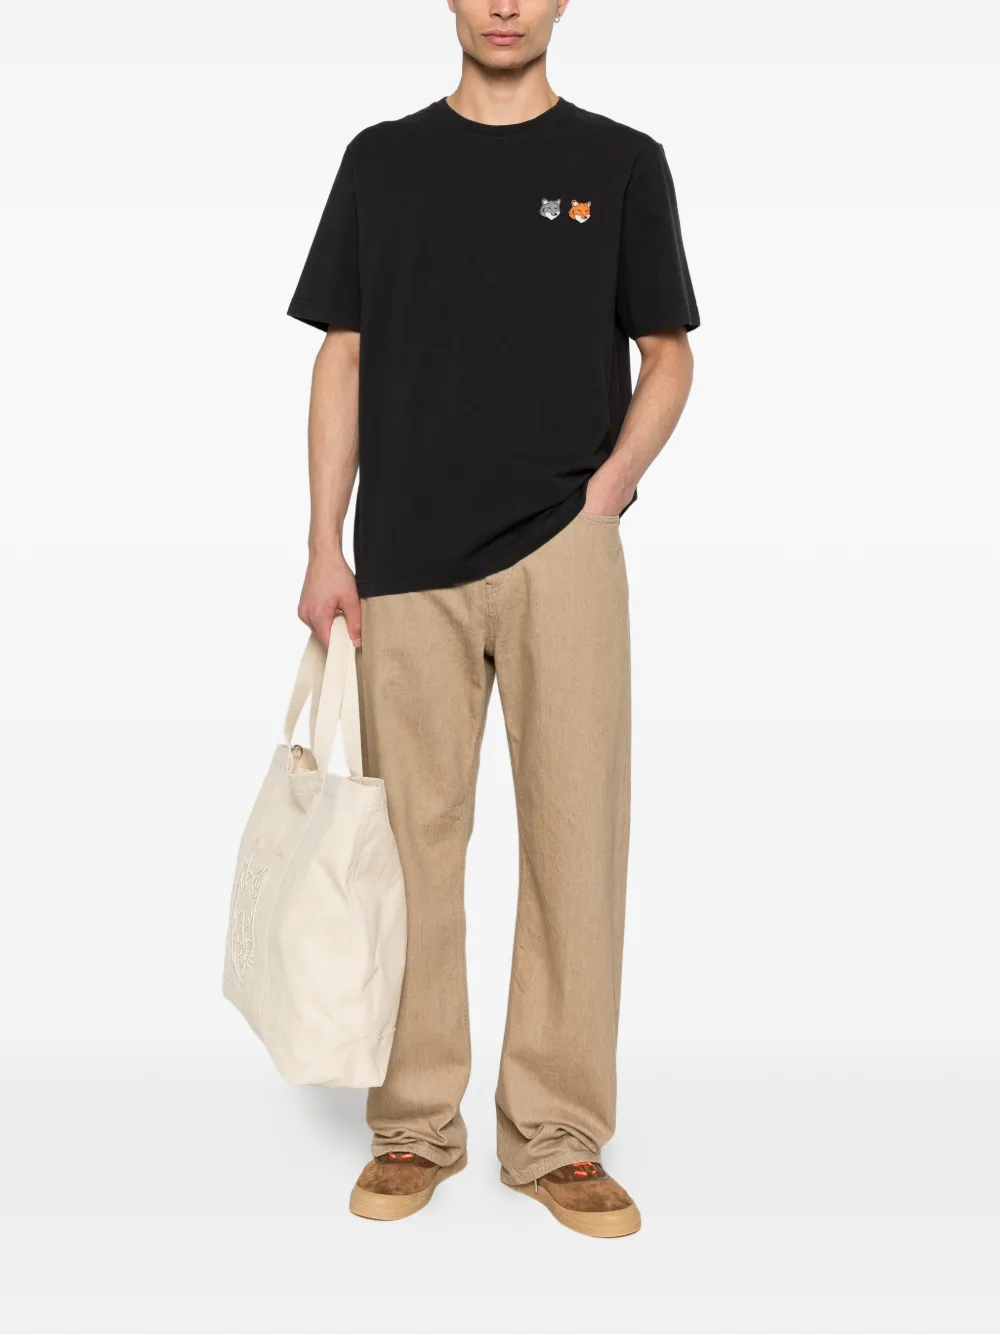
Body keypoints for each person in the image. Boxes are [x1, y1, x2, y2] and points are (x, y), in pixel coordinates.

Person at [290, 0, 698, 1239]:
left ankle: (558, 1134)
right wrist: (324, 542)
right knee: (409, 850)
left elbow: (668, 352)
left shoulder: (620, 163)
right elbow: (343, 353)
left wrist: (607, 490)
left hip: (563, 553)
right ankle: (415, 1123)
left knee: (577, 842)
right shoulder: (381, 161)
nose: (505, 4)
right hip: (406, 558)